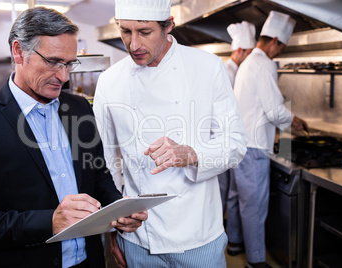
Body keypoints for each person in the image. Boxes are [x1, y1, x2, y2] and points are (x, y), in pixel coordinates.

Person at [0, 7, 147, 268]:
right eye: (53, 62)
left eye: (69, 63)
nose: (64, 76)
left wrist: (119, 210)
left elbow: (97, 175)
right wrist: (50, 222)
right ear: (19, 52)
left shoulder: (78, 108)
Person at [93, 0, 248, 267]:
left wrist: (191, 153)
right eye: (125, 31)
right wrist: (111, 231)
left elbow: (235, 144)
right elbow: (106, 162)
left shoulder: (207, 67)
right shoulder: (109, 80)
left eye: (144, 32)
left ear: (168, 26)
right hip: (137, 239)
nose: (133, 45)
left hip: (198, 236)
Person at [226, 11, 308, 268]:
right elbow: (274, 109)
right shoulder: (263, 63)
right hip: (253, 148)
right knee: (254, 207)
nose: (280, 53)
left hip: (240, 144)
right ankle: (256, 261)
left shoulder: (249, 63)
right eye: (281, 47)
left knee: (237, 197)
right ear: (274, 41)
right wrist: (293, 120)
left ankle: (236, 242)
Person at [218, 20, 256, 217]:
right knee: (223, 191)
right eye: (250, 54)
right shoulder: (228, 72)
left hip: (228, 140)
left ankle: (230, 237)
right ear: (240, 50)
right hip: (220, 139)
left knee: (230, 192)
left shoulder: (236, 71)